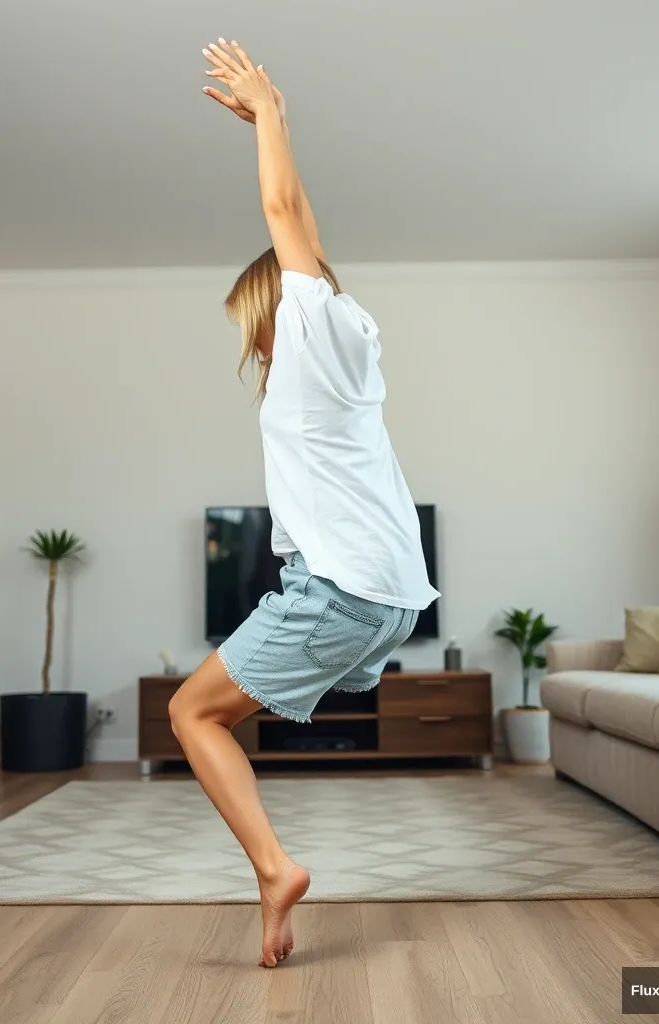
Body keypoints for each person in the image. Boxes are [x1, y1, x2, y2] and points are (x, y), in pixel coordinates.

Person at [168, 39, 440, 968]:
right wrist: (275, 122)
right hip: (392, 601)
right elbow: (312, 240)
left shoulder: (313, 327)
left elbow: (285, 213)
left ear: (272, 308)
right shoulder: (348, 338)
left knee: (190, 715)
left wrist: (270, 109)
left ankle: (273, 868)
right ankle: (272, 877)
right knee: (212, 709)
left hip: (337, 592)